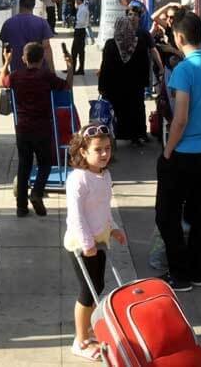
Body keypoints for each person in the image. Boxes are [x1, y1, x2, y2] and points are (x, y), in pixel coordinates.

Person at [155, 11, 201, 292]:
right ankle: (199, 271)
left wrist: (168, 151)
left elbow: (180, 118)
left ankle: (179, 275)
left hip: (185, 151)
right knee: (198, 208)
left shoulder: (184, 70)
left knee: (167, 213)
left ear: (179, 37)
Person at [64, 124, 127, 362]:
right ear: (83, 151)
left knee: (98, 286)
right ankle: (79, 341)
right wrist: (87, 242)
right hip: (81, 245)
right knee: (86, 292)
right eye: (98, 149)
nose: (104, 154)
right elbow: (76, 216)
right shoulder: (78, 179)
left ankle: (88, 330)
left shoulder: (104, 174)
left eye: (108, 148)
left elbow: (103, 208)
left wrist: (113, 229)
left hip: (99, 240)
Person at [7, 42, 74, 217]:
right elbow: (66, 87)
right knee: (44, 164)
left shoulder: (15, 76)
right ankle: (37, 192)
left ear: (24, 58)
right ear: (42, 58)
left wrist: (6, 62)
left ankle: (21, 207)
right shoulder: (46, 76)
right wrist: (70, 67)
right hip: (42, 127)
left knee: (24, 165)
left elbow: (2, 82)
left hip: (22, 128)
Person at [98, 16, 149, 145]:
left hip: (115, 87)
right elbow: (145, 65)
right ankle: (136, 136)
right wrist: (145, 83)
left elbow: (105, 67)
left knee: (116, 111)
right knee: (135, 110)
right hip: (135, 87)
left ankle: (114, 137)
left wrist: (102, 86)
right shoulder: (139, 44)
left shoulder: (111, 44)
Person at [0, 0, 55, 72]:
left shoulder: (8, 24)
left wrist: (5, 71)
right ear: (34, 5)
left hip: (17, 73)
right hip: (39, 73)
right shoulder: (42, 23)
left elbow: (5, 51)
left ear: (20, 4)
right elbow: (46, 48)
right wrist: (52, 71)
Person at [71, 0, 89, 75]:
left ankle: (76, 69)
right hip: (79, 31)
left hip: (80, 31)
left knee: (75, 51)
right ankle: (76, 68)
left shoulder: (83, 9)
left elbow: (81, 22)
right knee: (79, 51)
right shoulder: (81, 7)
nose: (76, 0)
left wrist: (74, 22)